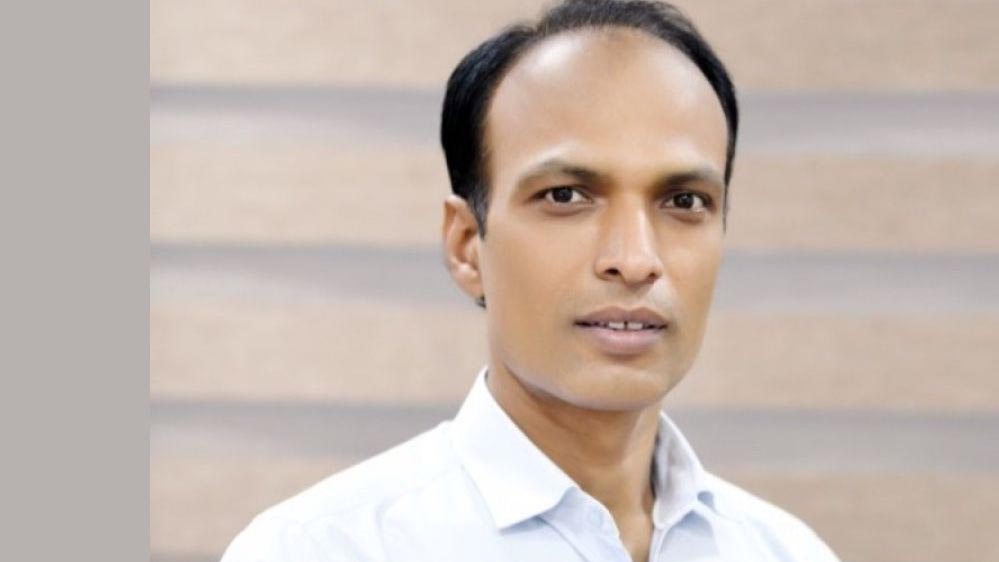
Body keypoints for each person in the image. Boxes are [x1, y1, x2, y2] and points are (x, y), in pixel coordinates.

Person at [221, 1, 841, 560]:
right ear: (467, 245)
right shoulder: (321, 548)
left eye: (684, 201)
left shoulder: (787, 551)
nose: (635, 259)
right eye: (566, 195)